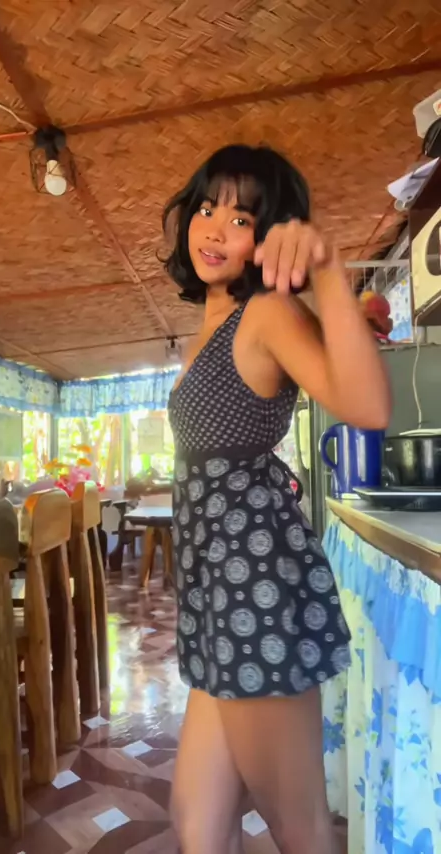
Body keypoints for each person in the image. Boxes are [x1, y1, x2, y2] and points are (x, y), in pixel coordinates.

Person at [164, 144, 391, 854]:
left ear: (269, 238)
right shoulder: (209, 327)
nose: (214, 228)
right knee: (197, 824)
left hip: (253, 592)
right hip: (215, 594)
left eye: (241, 219)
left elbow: (366, 406)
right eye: (208, 208)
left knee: (298, 829)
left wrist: (325, 270)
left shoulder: (264, 314)